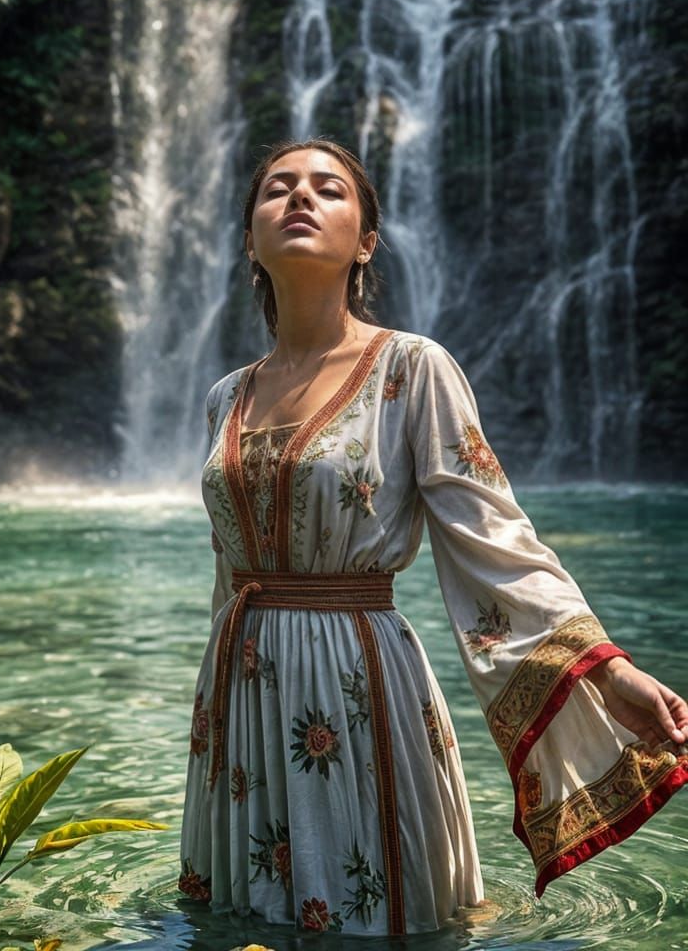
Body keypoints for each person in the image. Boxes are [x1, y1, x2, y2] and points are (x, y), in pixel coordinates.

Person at [177, 138, 688, 936]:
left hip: (355, 680)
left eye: (329, 190)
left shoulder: (412, 369)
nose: (301, 199)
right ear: (250, 237)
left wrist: (606, 668)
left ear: (366, 240)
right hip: (241, 689)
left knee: (378, 918)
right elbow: (227, 566)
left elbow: (495, 534)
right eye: (278, 189)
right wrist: (215, 712)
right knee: (250, 920)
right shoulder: (223, 397)